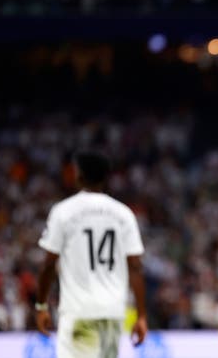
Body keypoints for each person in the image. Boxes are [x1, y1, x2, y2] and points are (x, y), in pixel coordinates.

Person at [35, 151, 147, 358]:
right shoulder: (123, 214)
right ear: (106, 177)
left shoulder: (64, 211)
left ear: (79, 176)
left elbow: (48, 265)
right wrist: (141, 315)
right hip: (112, 312)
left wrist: (41, 305)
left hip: (79, 310)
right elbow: (135, 267)